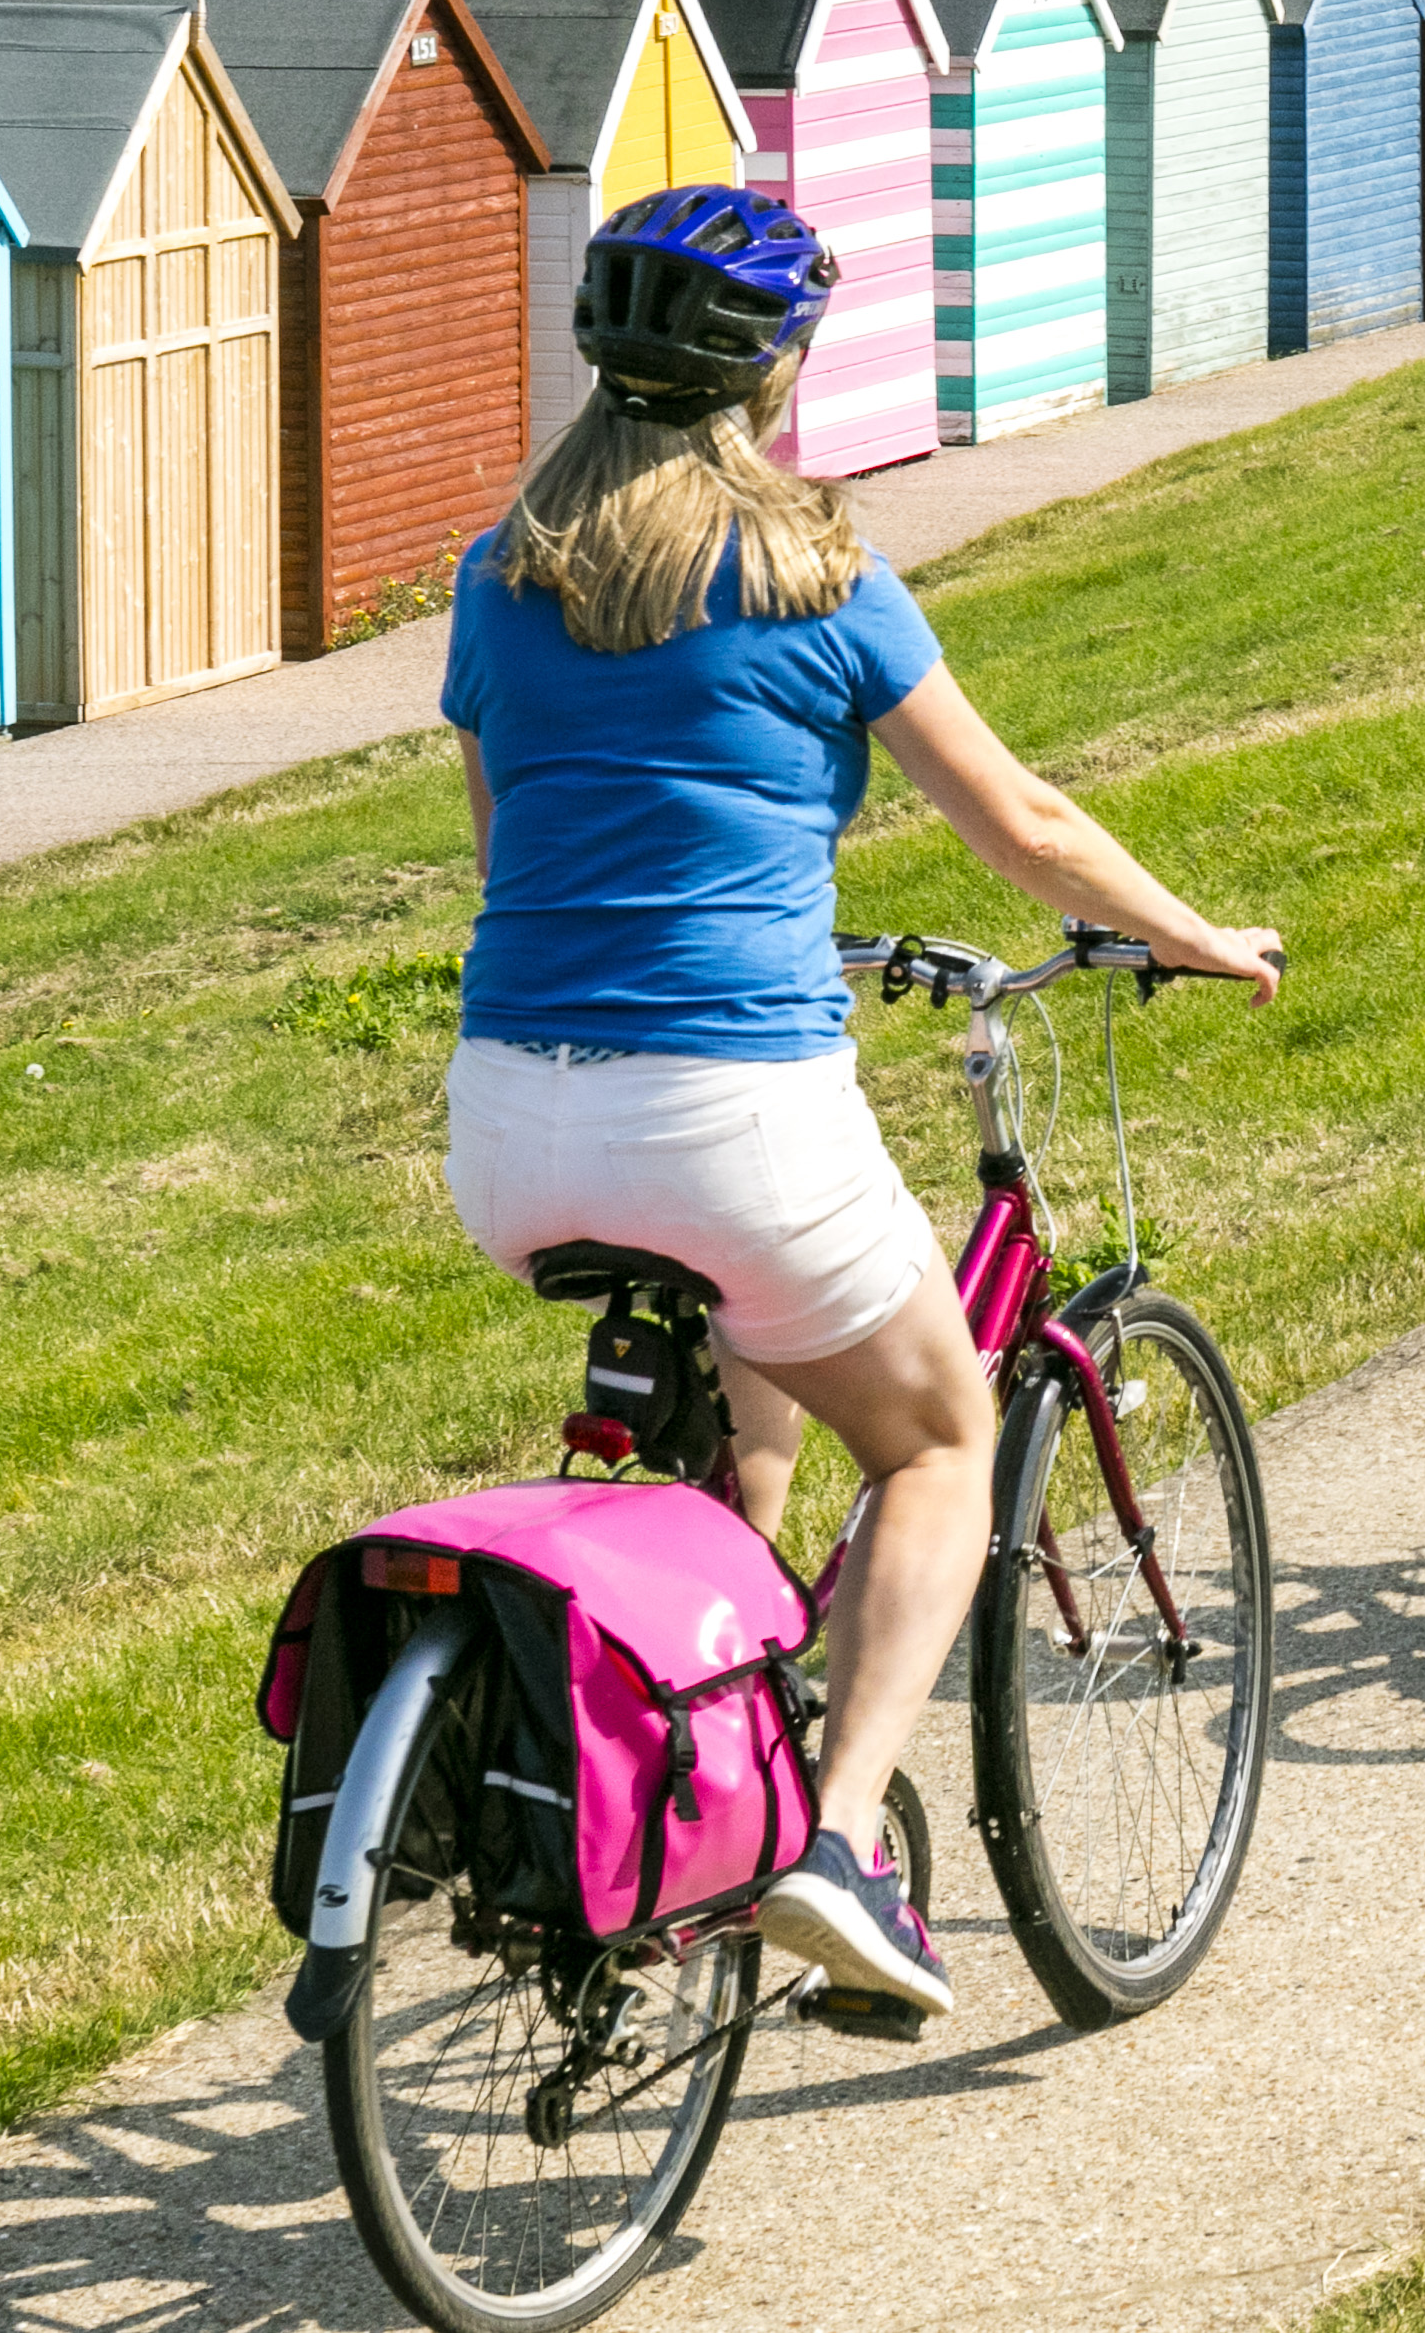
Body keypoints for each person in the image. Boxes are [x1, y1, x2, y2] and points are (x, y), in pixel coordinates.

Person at [438, 184, 1276, 2019]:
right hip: (726, 1114)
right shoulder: (815, 573)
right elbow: (1024, 822)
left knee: (755, 1421)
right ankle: (830, 1845)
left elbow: (515, 855)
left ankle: (694, 1761)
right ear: (777, 372)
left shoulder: (503, 576)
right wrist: (1198, 935)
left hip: (504, 1121)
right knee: (939, 1441)